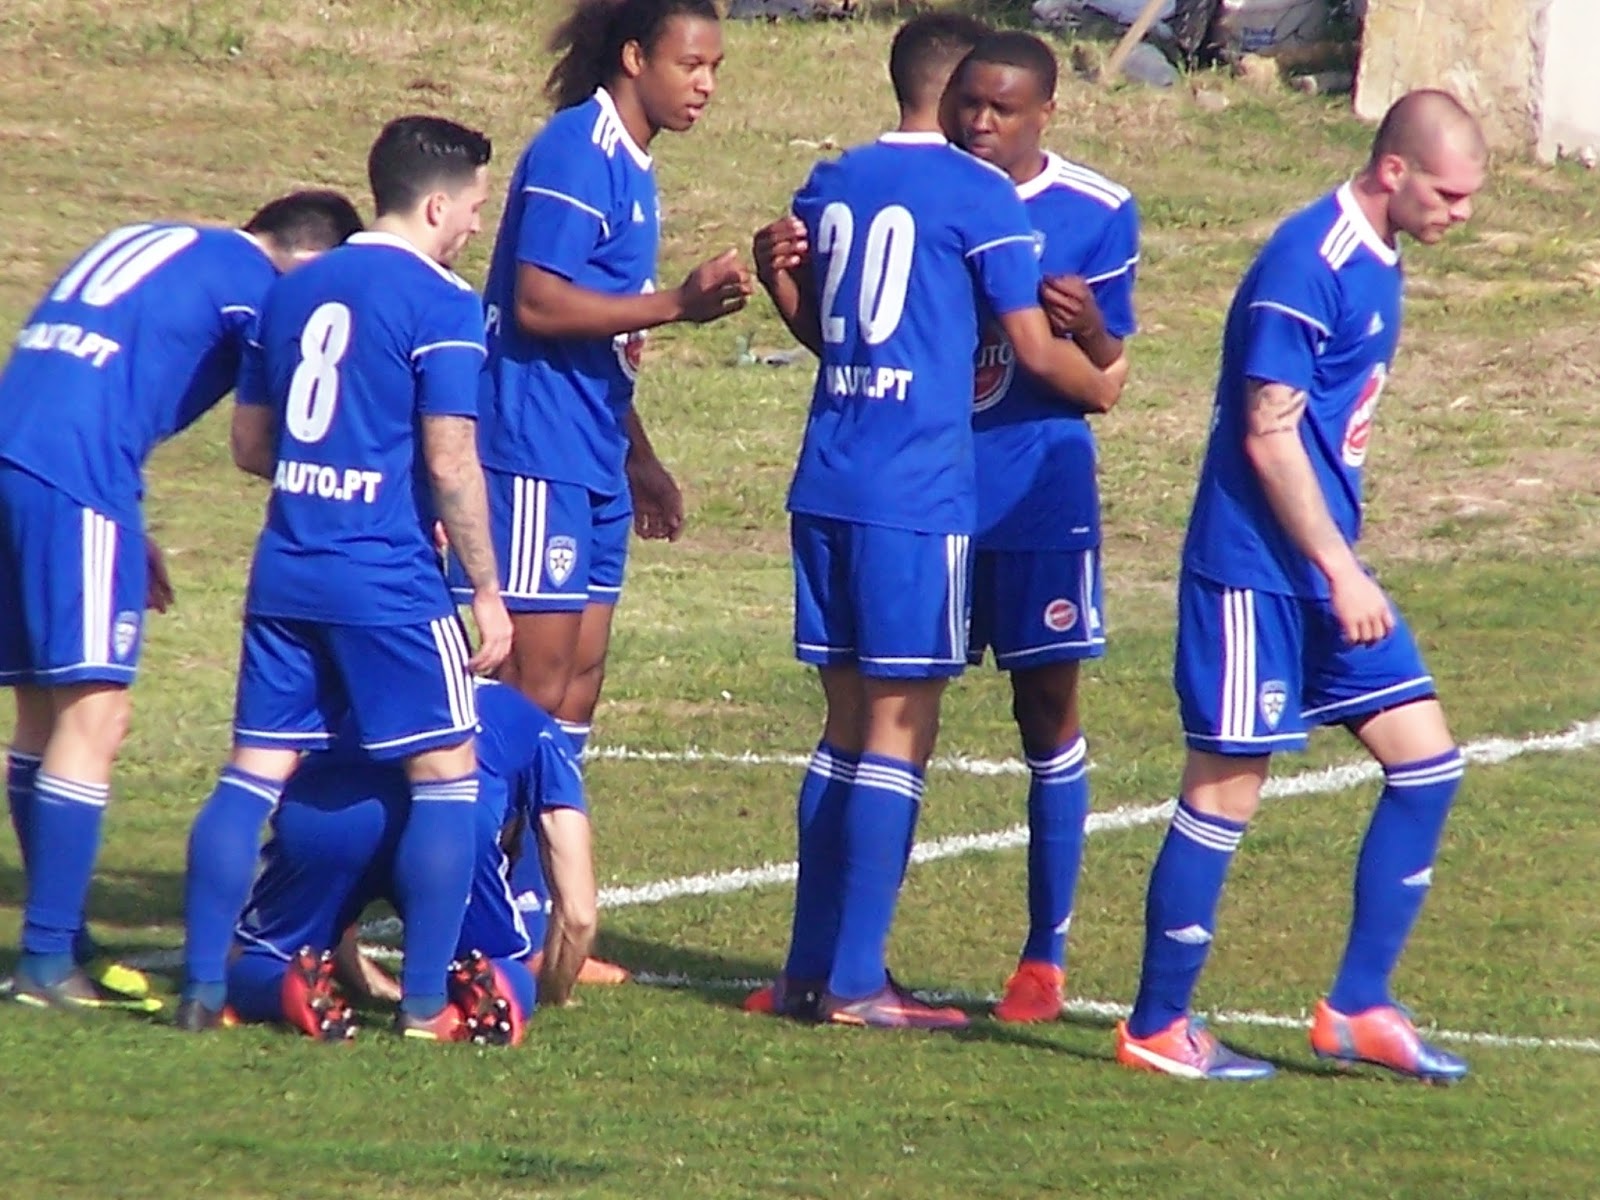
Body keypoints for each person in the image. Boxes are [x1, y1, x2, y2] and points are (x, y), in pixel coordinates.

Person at [746, 13, 1123, 1030]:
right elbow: (1031, 351)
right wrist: (1104, 377)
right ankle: (858, 984)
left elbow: (832, 334)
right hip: (915, 496)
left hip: (827, 480)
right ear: (958, 89)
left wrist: (778, 277)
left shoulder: (832, 180)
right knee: (899, 728)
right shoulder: (977, 194)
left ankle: (805, 973)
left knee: (840, 727)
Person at [1115, 90, 1486, 1082]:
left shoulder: (1378, 255)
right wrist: (1338, 568)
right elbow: (1268, 433)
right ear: (1394, 170)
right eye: (1449, 195)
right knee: (1224, 790)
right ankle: (1156, 1026)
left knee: (1426, 763)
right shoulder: (1305, 262)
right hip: (1256, 572)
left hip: (1322, 570)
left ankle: (1359, 1006)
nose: (1461, 214)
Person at [178, 114, 512, 1035]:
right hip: (387, 578)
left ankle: (204, 992)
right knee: (448, 773)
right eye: (475, 207)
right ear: (436, 205)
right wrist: (486, 591)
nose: (476, 224)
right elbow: (451, 461)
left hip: (286, 568)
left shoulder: (290, 291)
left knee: (252, 772)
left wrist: (329, 471)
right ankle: (426, 1005)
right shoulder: (443, 304)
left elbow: (251, 446)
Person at [0, 189, 363, 1009]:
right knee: (96, 715)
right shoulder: (260, 288)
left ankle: (60, 935)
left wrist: (123, 521)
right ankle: (46, 961)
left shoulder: (163, 240)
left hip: (20, 459)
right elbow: (269, 436)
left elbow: (93, 371)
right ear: (311, 262)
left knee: (41, 714)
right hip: (77, 479)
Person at [465, 0, 749, 753]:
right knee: (531, 680)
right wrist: (679, 304)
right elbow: (536, 302)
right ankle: (470, 831)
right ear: (634, 58)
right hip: (535, 448)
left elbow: (605, 337)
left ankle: (541, 833)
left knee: (579, 678)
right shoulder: (578, 150)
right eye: (690, 65)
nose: (706, 85)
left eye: (714, 68)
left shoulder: (632, 163)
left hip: (593, 452)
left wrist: (638, 457)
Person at [946, 33, 1139, 1024]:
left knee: (1046, 714)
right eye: (970, 104)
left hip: (1037, 500)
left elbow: (1111, 370)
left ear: (1045, 114)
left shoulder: (1097, 210)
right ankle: (851, 955)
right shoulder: (923, 192)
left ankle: (1043, 959)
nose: (982, 123)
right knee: (892, 713)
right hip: (929, 495)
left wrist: (1090, 325)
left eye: (1004, 109)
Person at [227, 680, 598, 1043]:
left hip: (327, 809)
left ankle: (284, 988)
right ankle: (484, 993)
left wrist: (358, 976)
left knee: (259, 956)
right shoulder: (539, 729)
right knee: (501, 962)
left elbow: (334, 906)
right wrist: (551, 993)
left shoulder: (366, 689)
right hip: (454, 817)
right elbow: (578, 915)